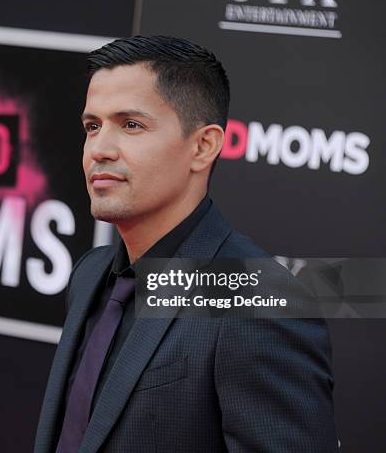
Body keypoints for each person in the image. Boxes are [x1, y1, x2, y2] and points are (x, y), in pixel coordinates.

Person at [33, 36, 338, 452]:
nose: (99, 150)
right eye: (92, 126)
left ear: (203, 146)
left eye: (131, 125)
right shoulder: (90, 273)